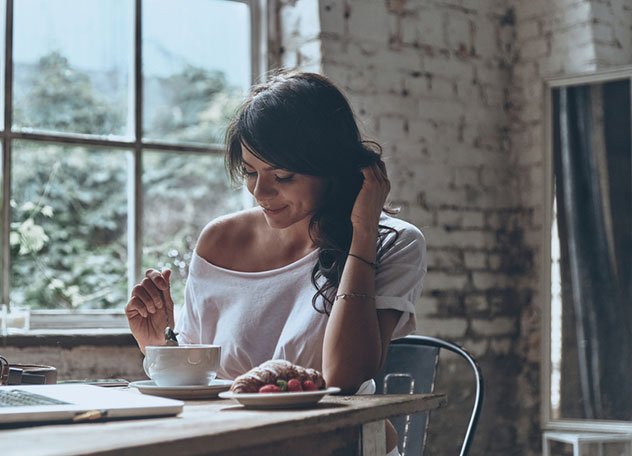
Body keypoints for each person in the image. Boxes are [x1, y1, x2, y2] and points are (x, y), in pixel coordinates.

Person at [126, 70, 426, 455]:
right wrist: (158, 343)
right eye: (250, 172)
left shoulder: (392, 242)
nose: (260, 192)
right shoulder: (221, 241)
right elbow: (204, 382)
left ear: (332, 169)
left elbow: (344, 377)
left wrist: (363, 232)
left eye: (282, 176)